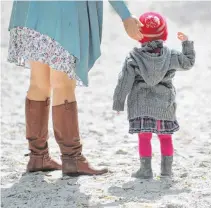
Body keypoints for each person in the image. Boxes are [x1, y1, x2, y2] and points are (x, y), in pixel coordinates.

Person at [7, 1, 143, 176]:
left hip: (31, 9)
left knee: (38, 83)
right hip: (63, 13)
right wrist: (125, 15)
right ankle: (72, 158)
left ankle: (38, 156)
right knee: (62, 84)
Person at [112, 12, 196, 178]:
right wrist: (186, 43)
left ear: (139, 35)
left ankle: (146, 169)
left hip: (141, 105)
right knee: (165, 138)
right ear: (164, 33)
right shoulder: (171, 55)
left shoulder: (134, 58)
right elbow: (188, 63)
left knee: (144, 137)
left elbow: (124, 81)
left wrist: (119, 102)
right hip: (164, 105)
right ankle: (166, 170)